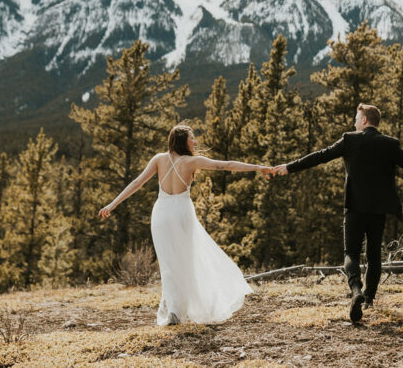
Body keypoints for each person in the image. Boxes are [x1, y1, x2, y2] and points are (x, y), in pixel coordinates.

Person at [272, 103, 403, 323]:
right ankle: (369, 298)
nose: (355, 122)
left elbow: (320, 156)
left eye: (357, 118)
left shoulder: (350, 140)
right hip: (378, 211)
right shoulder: (390, 144)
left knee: (351, 252)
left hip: (355, 207)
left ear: (365, 120)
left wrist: (289, 167)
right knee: (374, 253)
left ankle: (356, 289)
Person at [99, 124, 273, 325]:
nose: (195, 141)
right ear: (183, 141)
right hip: (181, 212)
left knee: (168, 264)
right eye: (192, 138)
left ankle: (175, 311)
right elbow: (227, 164)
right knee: (187, 260)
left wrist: (112, 204)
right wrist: (258, 167)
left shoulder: (158, 159)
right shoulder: (192, 161)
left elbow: (137, 183)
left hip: (161, 213)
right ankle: (184, 309)